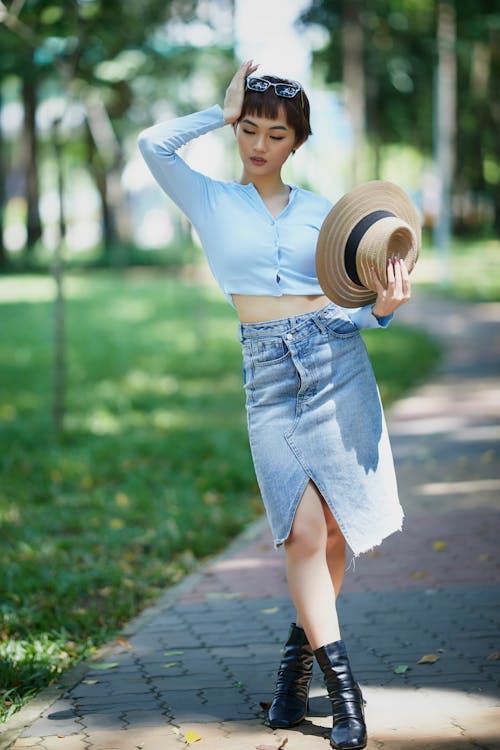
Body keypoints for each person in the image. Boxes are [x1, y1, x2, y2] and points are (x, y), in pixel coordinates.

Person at [138, 60, 414, 750]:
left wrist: (381, 312)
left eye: (275, 134)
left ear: (297, 142)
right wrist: (219, 109)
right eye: (250, 129)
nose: (259, 144)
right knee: (302, 533)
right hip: (268, 377)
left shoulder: (324, 213)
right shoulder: (207, 199)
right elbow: (151, 145)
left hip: (336, 364)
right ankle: (346, 701)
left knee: (341, 529)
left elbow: (350, 306)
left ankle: (295, 675)